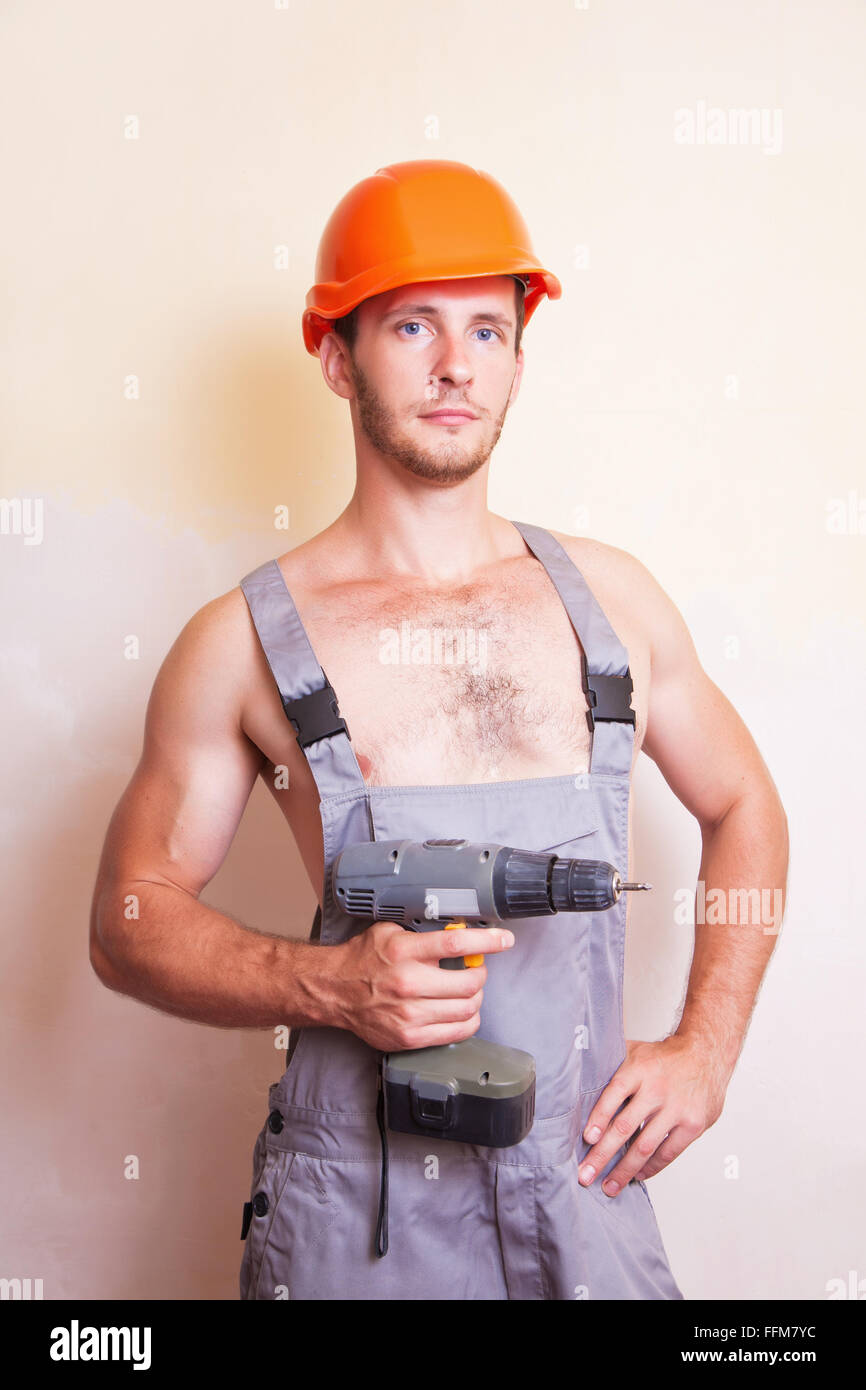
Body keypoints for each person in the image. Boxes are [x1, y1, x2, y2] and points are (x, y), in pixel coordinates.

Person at [89, 160, 789, 1300]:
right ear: (333, 355)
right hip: (356, 1204)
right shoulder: (239, 643)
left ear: (520, 352)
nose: (457, 365)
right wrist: (324, 984)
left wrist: (703, 1051)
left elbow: (743, 804)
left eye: (488, 329)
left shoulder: (613, 602)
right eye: (412, 325)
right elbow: (127, 919)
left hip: (582, 1175)